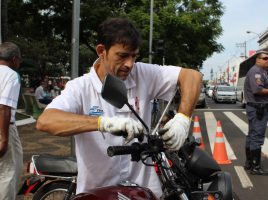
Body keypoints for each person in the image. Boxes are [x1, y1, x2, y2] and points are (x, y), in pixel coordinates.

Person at [36, 18, 202, 198]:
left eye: (134, 56)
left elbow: (192, 76)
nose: (130, 64)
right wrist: (103, 123)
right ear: (101, 51)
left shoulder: (142, 73)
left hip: (143, 190)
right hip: (98, 192)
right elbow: (46, 121)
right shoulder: (80, 87)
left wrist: (183, 118)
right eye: (122, 56)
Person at [244, 50, 268, 176]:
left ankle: (250, 163)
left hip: (257, 108)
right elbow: (257, 90)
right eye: (265, 58)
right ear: (258, 60)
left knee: (252, 135)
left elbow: (267, 87)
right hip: (258, 109)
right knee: (257, 137)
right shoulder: (256, 72)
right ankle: (255, 167)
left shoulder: (262, 72)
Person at [0, 42, 23, 200]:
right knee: (8, 173)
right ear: (14, 59)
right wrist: (4, 139)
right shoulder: (11, 75)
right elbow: (4, 108)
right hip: (4, 127)